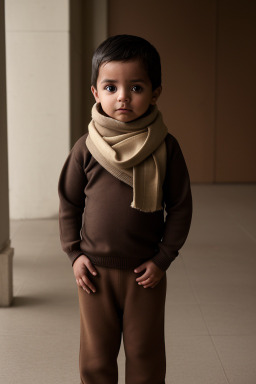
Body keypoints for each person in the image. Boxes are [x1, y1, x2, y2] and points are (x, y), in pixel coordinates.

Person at [58, 34, 192, 384]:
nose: (122, 97)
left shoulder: (165, 146)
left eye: (135, 87)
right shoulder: (86, 147)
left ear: (155, 92)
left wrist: (163, 258)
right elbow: (69, 203)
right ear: (95, 92)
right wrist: (74, 255)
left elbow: (179, 206)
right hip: (94, 273)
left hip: (145, 272)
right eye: (111, 87)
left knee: (145, 353)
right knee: (96, 356)